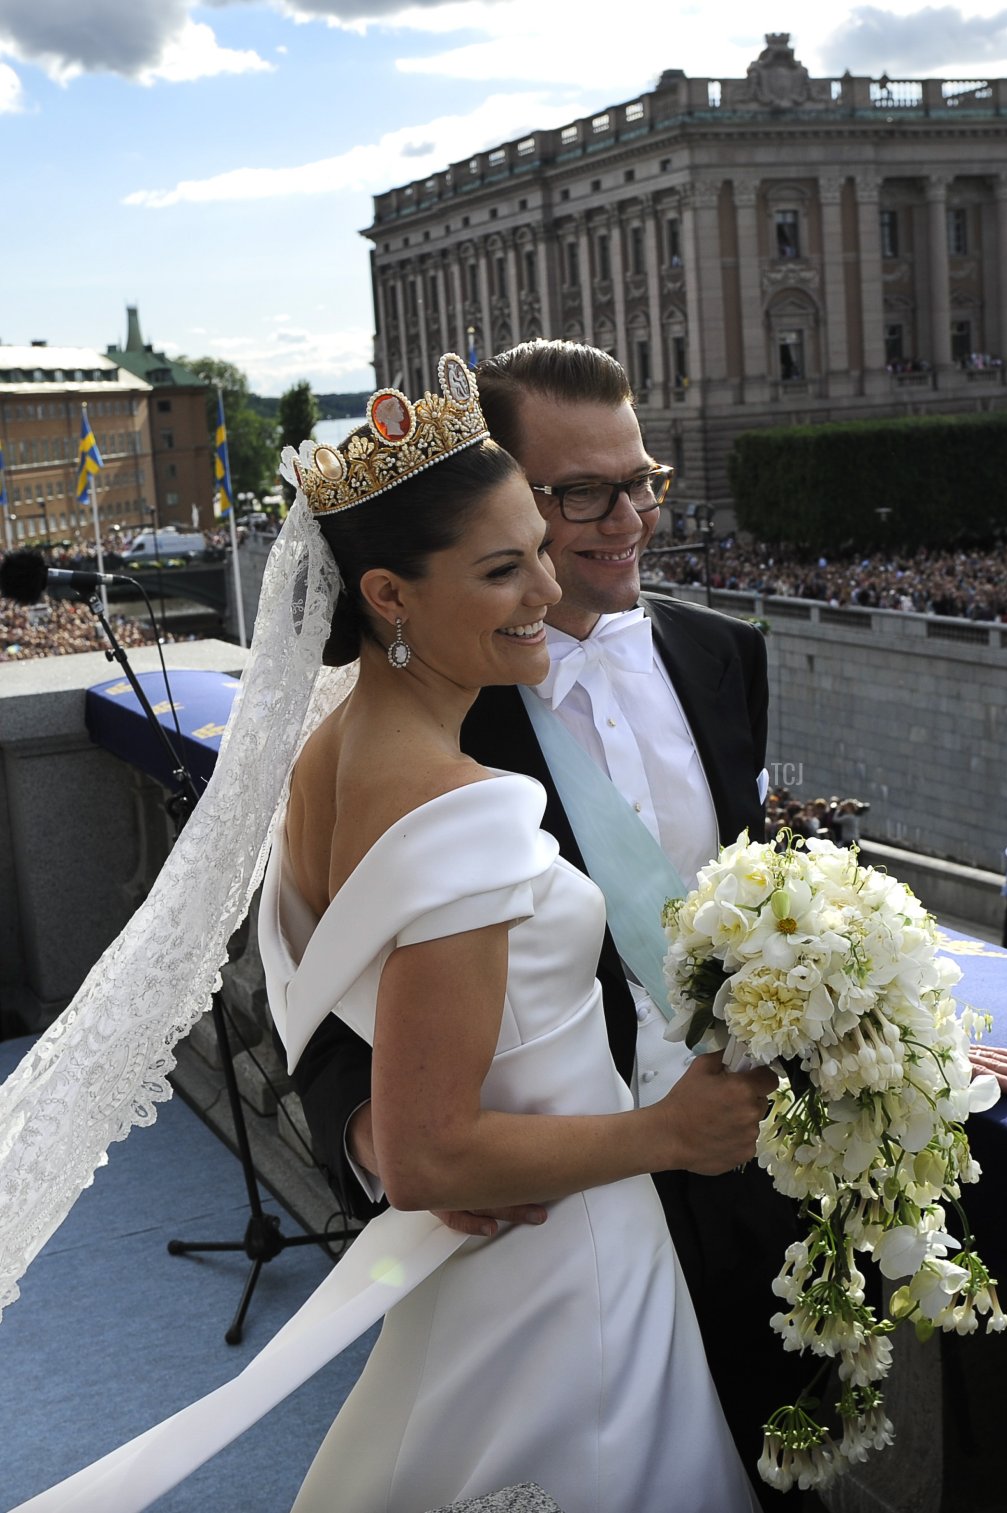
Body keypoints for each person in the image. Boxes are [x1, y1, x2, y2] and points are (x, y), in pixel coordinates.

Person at [3, 357, 773, 1512]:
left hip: (681, 1204)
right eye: (531, 542)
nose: (560, 574)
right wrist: (654, 1134)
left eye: (643, 482)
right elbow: (397, 1108)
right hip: (569, 1227)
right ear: (390, 592)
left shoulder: (337, 750)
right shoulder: (461, 791)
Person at [291, 339, 1007, 1486]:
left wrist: (904, 1042)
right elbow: (321, 963)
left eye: (640, 480)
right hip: (552, 1201)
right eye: (576, 495)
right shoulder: (425, 716)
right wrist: (374, 1147)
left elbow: (758, 913)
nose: (622, 519)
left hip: (748, 1178)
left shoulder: (719, 653)